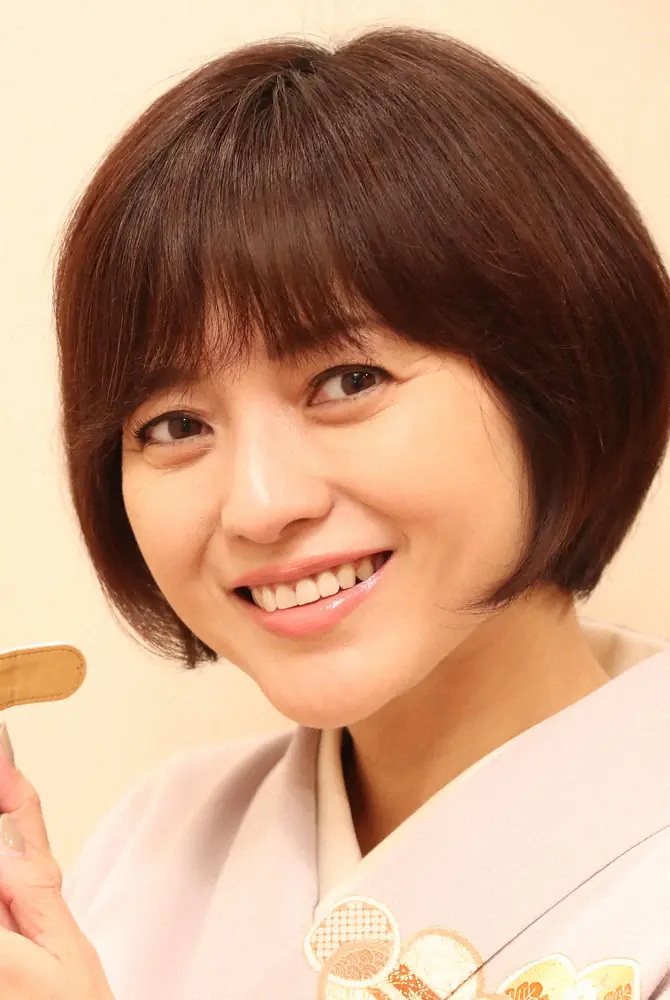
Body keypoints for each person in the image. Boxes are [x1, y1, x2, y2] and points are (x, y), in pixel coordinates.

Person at [0, 25, 668, 1000]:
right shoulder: (152, 845)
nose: (261, 505)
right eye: (177, 425)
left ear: (560, 371)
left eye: (347, 380)